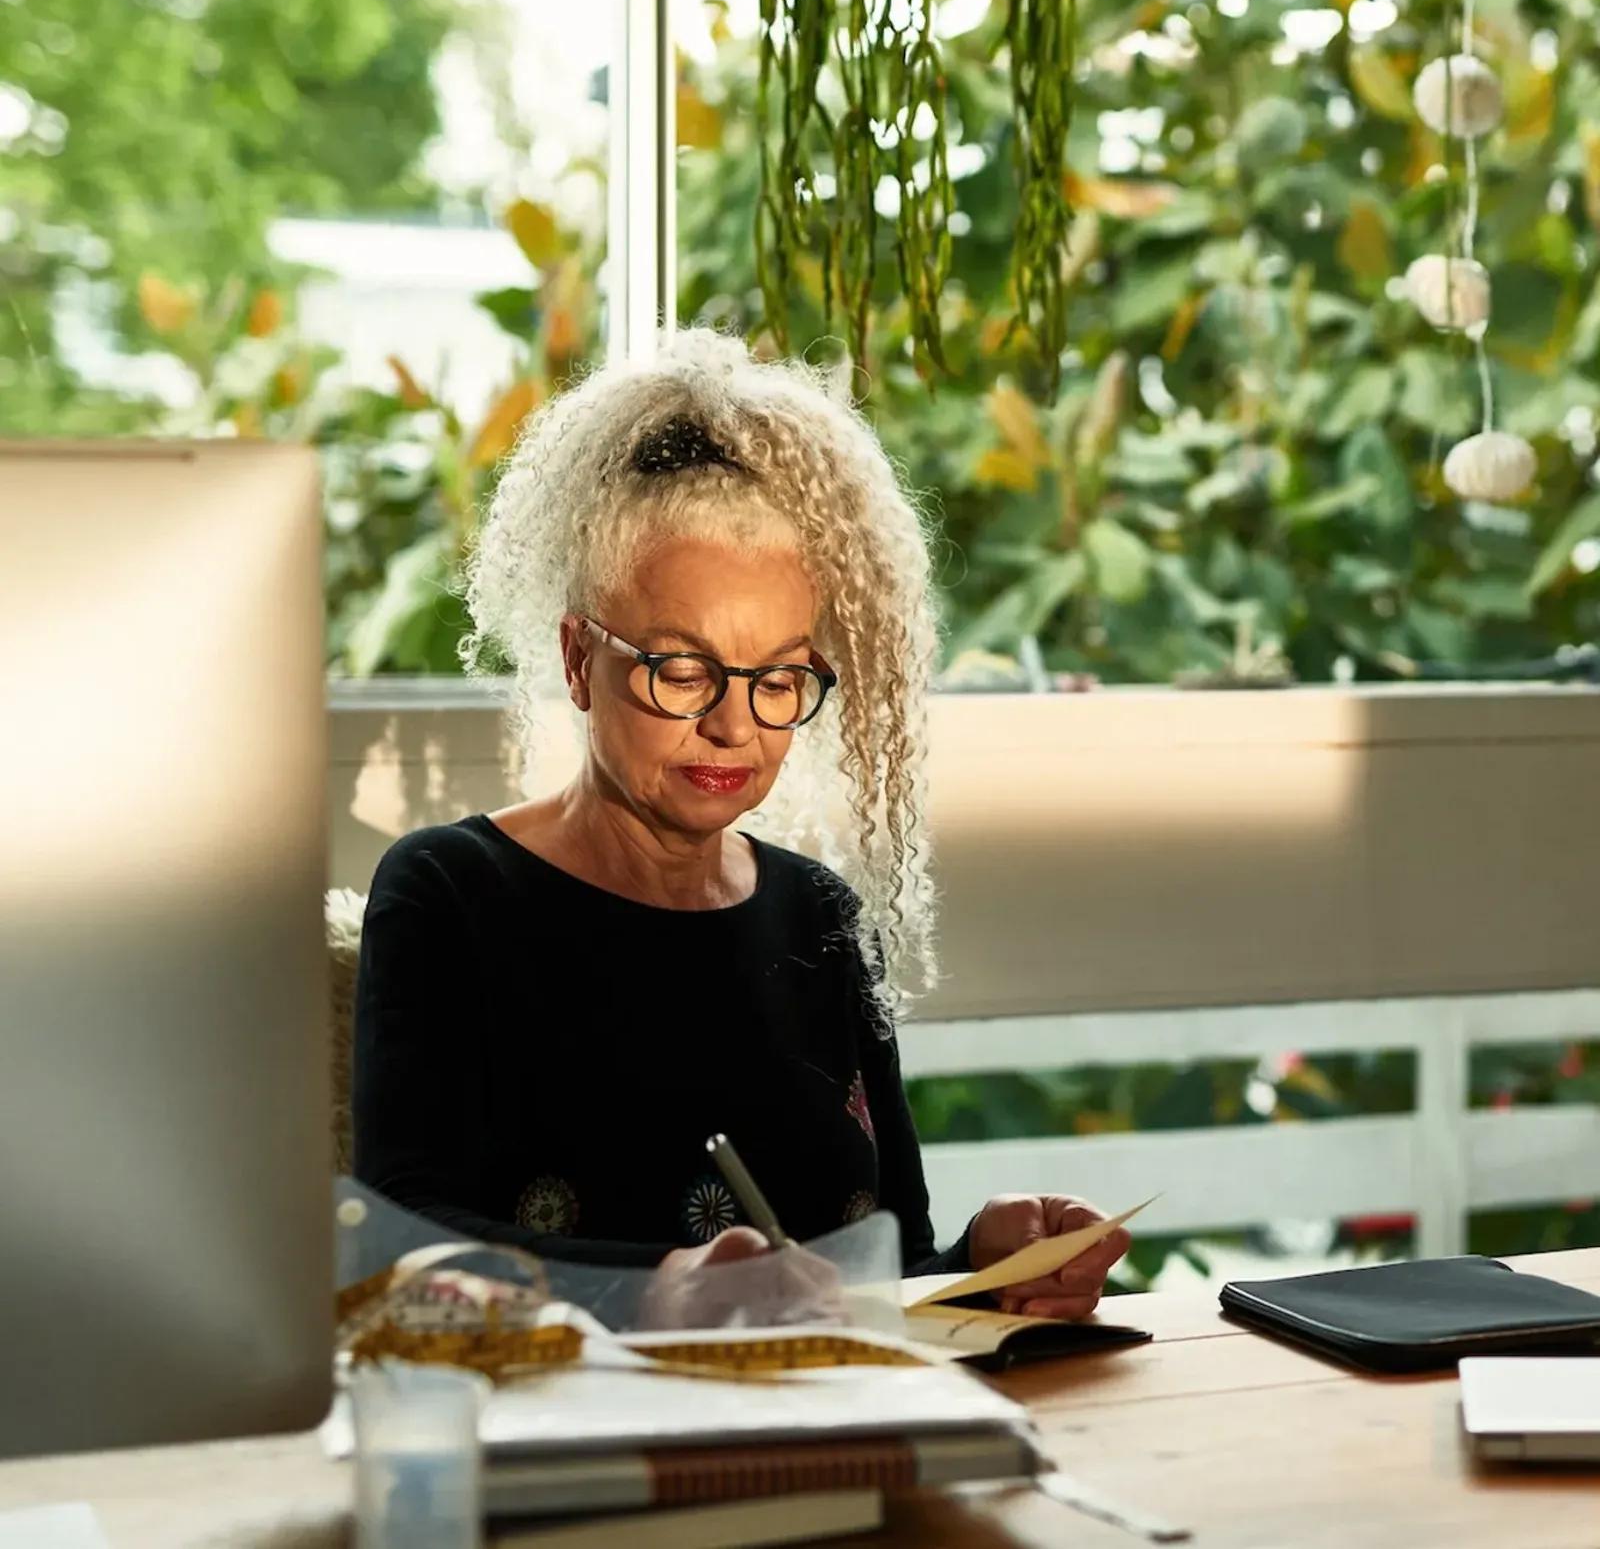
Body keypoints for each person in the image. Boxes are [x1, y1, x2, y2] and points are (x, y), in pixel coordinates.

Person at [353, 329, 1129, 1320]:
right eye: (683, 669)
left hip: (825, 1405)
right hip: (580, 1408)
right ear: (579, 657)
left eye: (778, 678)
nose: (733, 723)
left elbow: (881, 1270)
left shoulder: (821, 917)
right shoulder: (453, 891)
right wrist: (659, 1288)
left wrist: (983, 1262)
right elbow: (401, 1240)